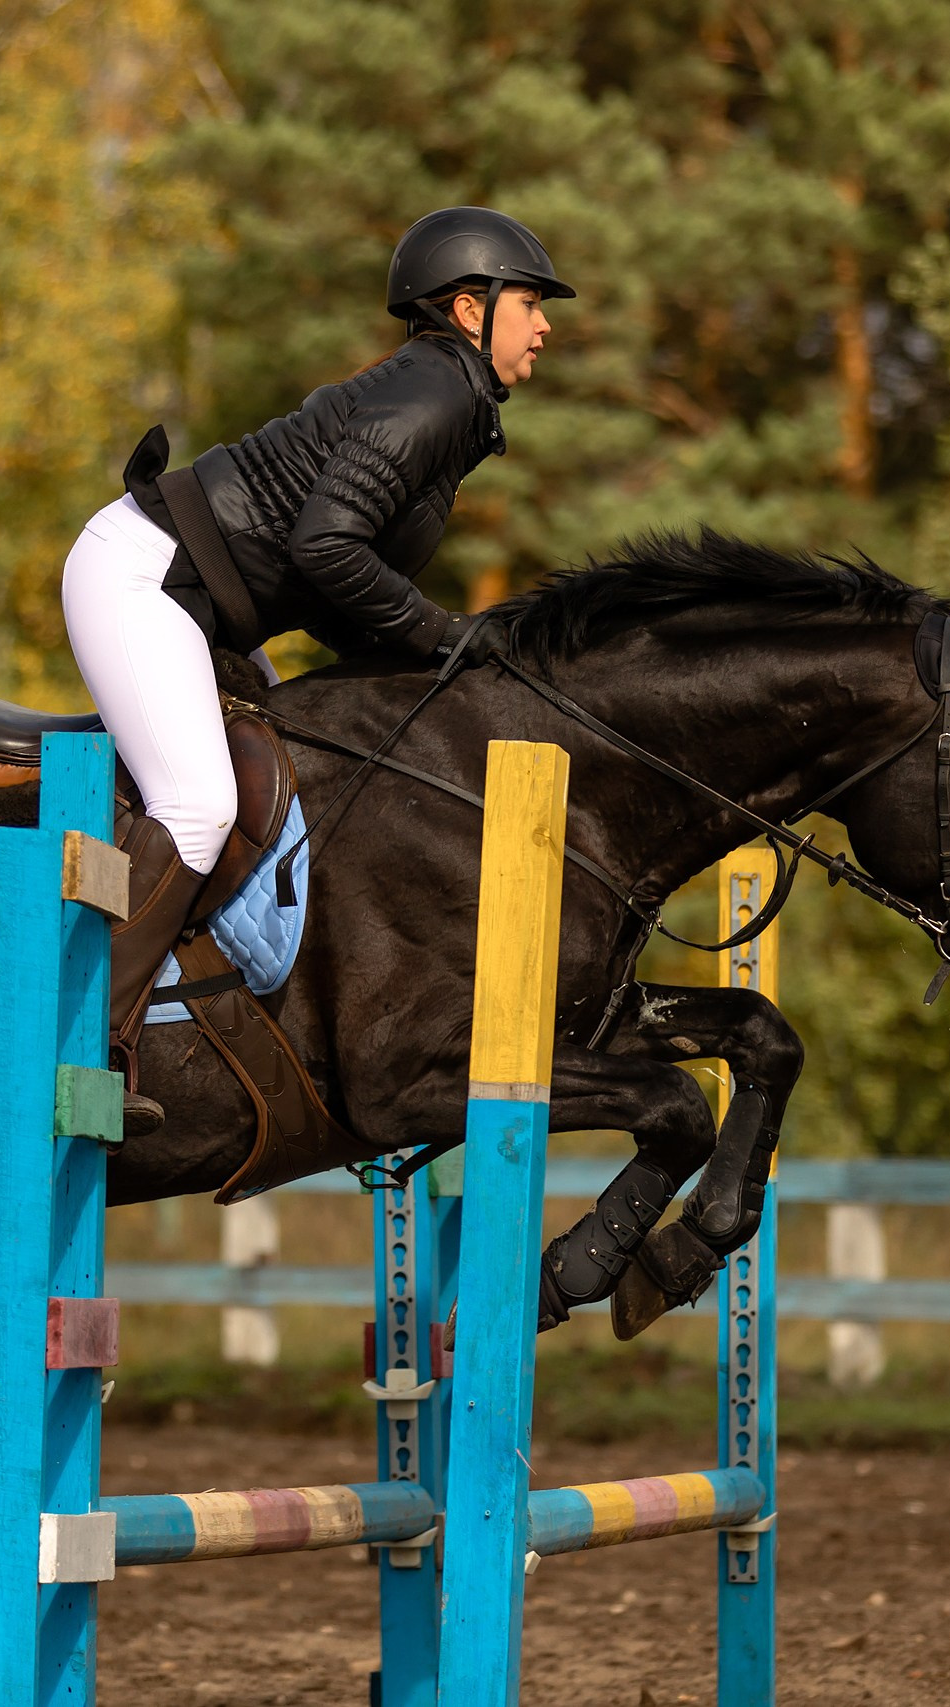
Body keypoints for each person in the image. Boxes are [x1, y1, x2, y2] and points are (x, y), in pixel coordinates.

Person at [60, 206, 573, 1131]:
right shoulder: (436, 395)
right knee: (200, 805)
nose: (544, 327)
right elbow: (326, 547)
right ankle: (84, 1036)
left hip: (202, 603)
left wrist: (431, 661)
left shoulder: (449, 401)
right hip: (145, 576)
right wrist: (441, 633)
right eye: (529, 304)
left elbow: (331, 584)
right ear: (469, 309)